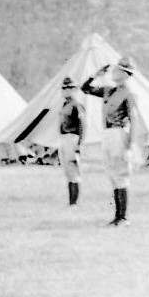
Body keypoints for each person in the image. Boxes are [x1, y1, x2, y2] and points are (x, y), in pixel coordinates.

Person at [80, 58, 141, 226]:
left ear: (125, 74)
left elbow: (134, 119)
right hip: (107, 134)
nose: (113, 72)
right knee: (112, 174)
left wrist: (130, 145)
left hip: (119, 133)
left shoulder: (129, 94)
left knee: (121, 174)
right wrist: (96, 75)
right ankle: (117, 216)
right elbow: (85, 88)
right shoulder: (108, 90)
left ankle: (123, 217)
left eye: (118, 70)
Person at [58, 77, 85, 206]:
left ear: (74, 89)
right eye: (64, 88)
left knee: (73, 171)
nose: (65, 90)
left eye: (68, 88)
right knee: (68, 171)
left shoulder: (77, 105)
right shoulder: (64, 104)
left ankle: (74, 202)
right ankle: (71, 202)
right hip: (64, 138)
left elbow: (82, 125)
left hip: (72, 137)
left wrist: (79, 144)